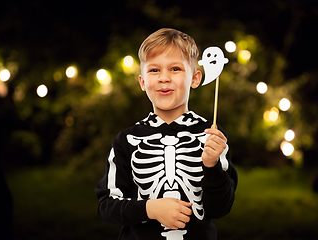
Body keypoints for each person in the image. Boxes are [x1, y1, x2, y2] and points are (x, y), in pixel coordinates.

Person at [95, 28, 238, 240]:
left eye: (175, 69)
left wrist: (211, 165)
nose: (164, 78)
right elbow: (107, 206)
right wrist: (150, 209)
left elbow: (220, 208)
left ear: (195, 79)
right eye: (154, 71)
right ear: (142, 82)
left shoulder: (212, 137)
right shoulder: (126, 140)